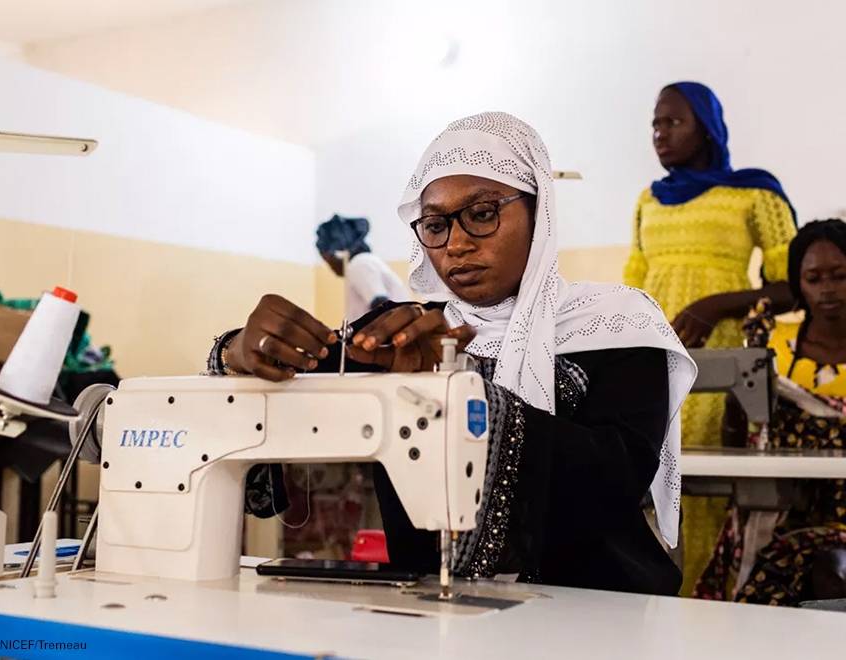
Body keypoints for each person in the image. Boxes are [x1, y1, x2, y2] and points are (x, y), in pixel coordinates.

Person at [209, 112, 696, 595]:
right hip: (432, 615)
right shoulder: (401, 335)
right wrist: (240, 352)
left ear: (537, 211)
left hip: (602, 613)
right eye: (436, 224)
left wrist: (456, 385)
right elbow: (290, 388)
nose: (456, 244)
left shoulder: (618, 324)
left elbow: (615, 480)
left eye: (483, 213)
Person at [624, 81, 798, 591]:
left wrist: (714, 305)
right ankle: (657, 604)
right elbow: (632, 285)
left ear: (707, 125)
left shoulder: (754, 192)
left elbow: (790, 287)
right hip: (656, 356)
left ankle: (710, 604)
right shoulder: (647, 201)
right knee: (653, 476)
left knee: (710, 480)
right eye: (655, 123)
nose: (660, 134)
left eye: (673, 121)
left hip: (724, 362)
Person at [694, 219, 846, 606]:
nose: (827, 289)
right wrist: (736, 405)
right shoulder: (773, 347)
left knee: (830, 575)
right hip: (786, 512)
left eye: (840, 276)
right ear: (798, 284)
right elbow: (741, 434)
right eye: (814, 278)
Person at [316, 214, 411, 320]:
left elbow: (382, 307)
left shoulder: (359, 264)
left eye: (328, 259)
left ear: (338, 252)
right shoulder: (367, 262)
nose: (330, 267)